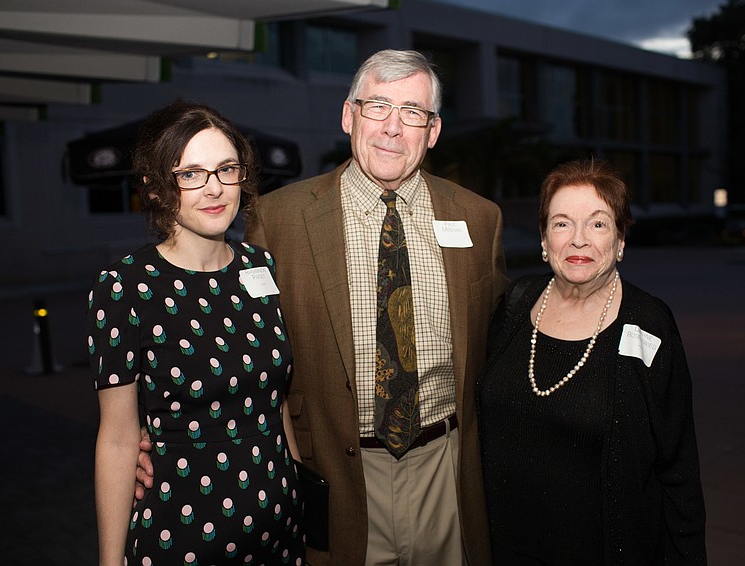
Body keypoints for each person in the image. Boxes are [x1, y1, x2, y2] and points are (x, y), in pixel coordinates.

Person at [137, 49, 508, 565]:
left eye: (412, 112)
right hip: (334, 470)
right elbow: (235, 340)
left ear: (434, 130)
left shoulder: (478, 218)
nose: (393, 128)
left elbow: (500, 346)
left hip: (445, 468)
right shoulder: (278, 219)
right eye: (377, 106)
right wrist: (151, 426)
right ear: (347, 115)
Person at [89, 101, 305, 565]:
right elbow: (117, 438)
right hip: (182, 534)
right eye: (191, 174)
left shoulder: (260, 266)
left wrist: (300, 482)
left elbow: (276, 397)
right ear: (154, 187)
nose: (214, 189)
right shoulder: (125, 287)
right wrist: (110, 560)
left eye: (226, 169)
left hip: (279, 528)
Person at [477, 158, 706, 565]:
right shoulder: (514, 305)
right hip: (502, 548)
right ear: (545, 240)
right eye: (562, 223)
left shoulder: (649, 324)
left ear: (620, 241)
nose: (578, 240)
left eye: (598, 224)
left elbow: (678, 466)